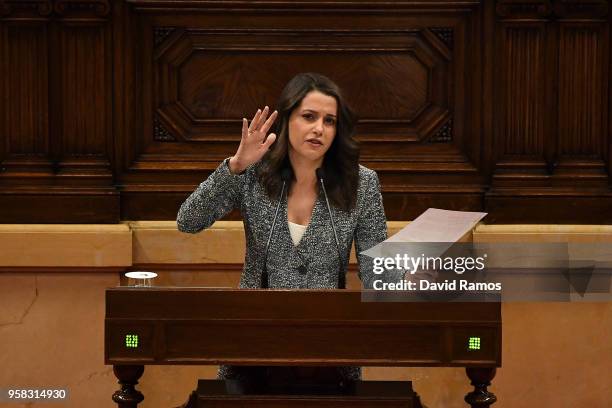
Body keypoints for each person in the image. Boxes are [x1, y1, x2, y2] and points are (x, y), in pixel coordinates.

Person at [177, 72, 399, 385]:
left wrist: (414, 265)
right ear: (286, 120)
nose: (319, 129)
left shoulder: (360, 183)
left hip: (330, 350)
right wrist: (234, 167)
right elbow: (188, 220)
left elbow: (378, 273)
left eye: (330, 121)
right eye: (309, 117)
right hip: (254, 345)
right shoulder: (253, 174)